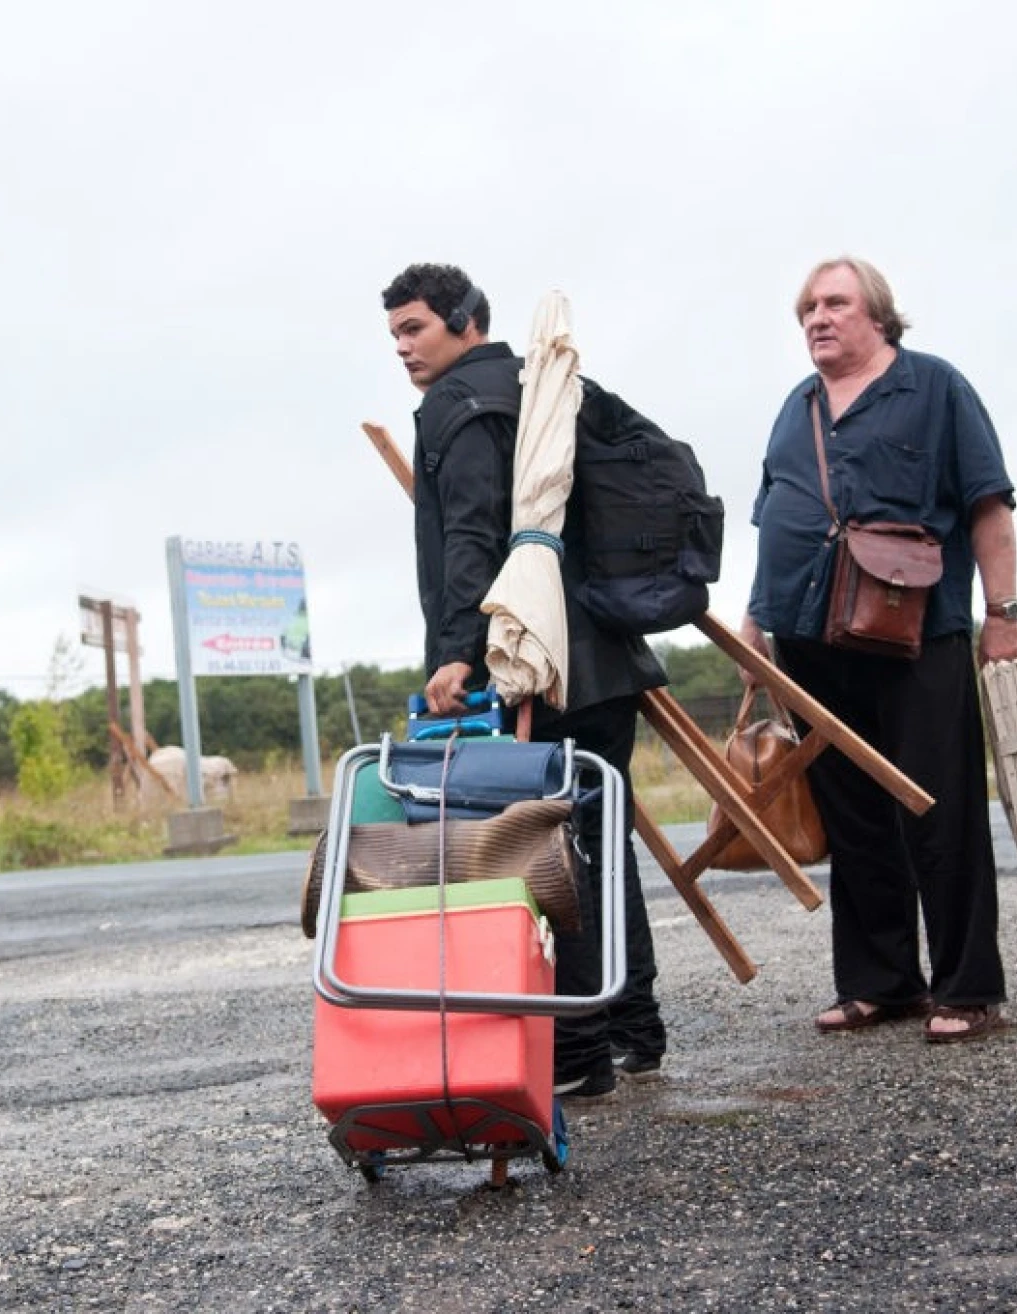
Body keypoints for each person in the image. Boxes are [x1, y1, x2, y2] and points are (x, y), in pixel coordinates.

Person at [381, 261, 669, 1097]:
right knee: (597, 841)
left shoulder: (460, 404)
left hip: (532, 659)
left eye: (415, 329)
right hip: (605, 654)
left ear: (467, 319)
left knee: (545, 849)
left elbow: (471, 531)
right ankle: (633, 1030)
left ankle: (579, 1056)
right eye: (395, 334)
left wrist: (456, 651)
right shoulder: (547, 381)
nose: (402, 348)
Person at [739, 255, 1017, 1044]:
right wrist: (755, 622)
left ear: (878, 315)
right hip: (807, 637)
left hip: (917, 633)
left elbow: (989, 506)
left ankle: (967, 989)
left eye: (835, 304)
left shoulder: (935, 387)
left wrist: (1002, 613)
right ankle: (881, 984)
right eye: (806, 309)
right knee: (853, 815)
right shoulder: (795, 408)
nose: (817, 319)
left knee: (941, 809)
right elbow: (776, 521)